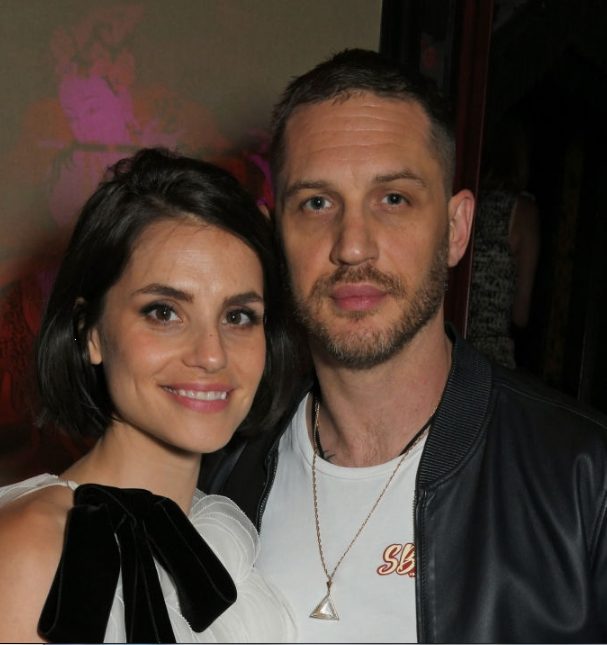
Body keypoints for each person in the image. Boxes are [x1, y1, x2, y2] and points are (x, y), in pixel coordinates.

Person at [201, 49, 607, 643]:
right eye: (316, 203)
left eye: (393, 199)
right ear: (274, 236)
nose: (353, 245)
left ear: (456, 229)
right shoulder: (215, 470)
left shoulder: (585, 482)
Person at [0, 148, 296, 643]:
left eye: (238, 316)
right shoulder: (31, 549)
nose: (212, 354)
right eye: (164, 312)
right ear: (90, 331)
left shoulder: (219, 543)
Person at [467, 114, 540, 368]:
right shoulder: (523, 212)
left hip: (445, 348)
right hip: (492, 360)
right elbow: (521, 313)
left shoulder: (459, 203)